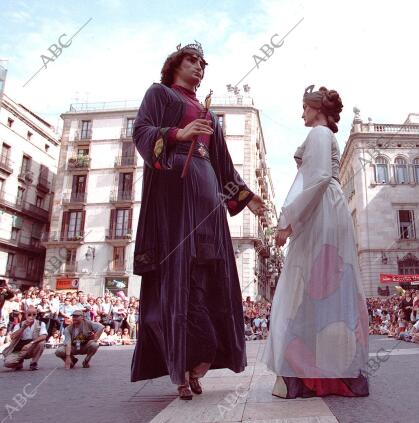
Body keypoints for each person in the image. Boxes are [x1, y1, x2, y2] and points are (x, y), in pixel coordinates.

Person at [130, 42, 265, 400]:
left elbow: (222, 164)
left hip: (207, 196)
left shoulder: (210, 114)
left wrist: (247, 198)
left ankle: (200, 358)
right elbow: (141, 132)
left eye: (203, 64)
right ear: (175, 64)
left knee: (209, 275)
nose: (199, 68)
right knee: (179, 275)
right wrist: (177, 134)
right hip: (176, 189)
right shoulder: (159, 94)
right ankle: (179, 367)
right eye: (192, 61)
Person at [261, 85, 369, 399]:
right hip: (322, 208)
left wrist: (288, 221)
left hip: (323, 208)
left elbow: (318, 177)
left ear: (316, 108)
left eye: (305, 108)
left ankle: (313, 374)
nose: (302, 114)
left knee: (309, 284)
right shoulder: (322, 135)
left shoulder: (320, 134)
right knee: (310, 286)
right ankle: (312, 372)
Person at [2, 306, 47, 370]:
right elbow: (13, 337)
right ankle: (19, 362)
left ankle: (34, 363)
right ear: (25, 315)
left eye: (34, 314)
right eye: (29, 314)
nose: (31, 316)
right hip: (20, 348)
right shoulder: (19, 325)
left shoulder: (41, 323)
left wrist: (31, 343)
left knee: (41, 343)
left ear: (36, 315)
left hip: (32, 347)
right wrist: (23, 327)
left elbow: (44, 336)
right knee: (8, 363)